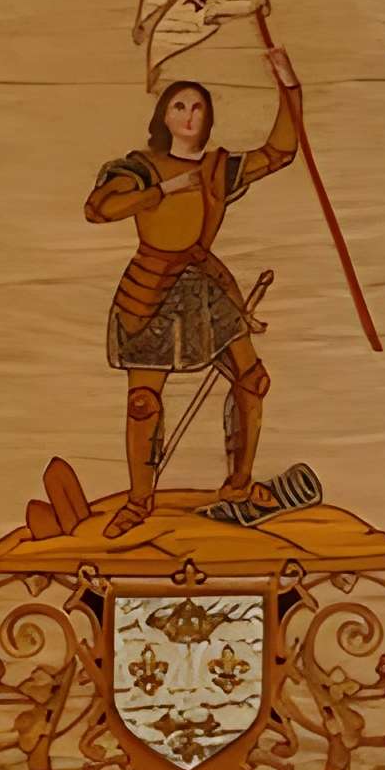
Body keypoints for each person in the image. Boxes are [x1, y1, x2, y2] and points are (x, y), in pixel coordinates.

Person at [84, 49, 301, 536]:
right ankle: (139, 503)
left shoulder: (216, 169)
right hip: (150, 287)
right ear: (164, 116)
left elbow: (280, 153)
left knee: (252, 381)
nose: (189, 115)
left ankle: (239, 488)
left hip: (203, 286)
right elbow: (98, 209)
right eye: (179, 106)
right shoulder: (140, 166)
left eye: (198, 107)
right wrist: (162, 191)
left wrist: (290, 89)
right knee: (143, 401)